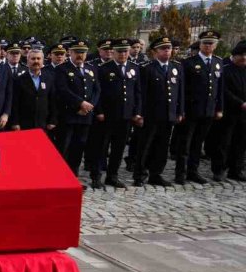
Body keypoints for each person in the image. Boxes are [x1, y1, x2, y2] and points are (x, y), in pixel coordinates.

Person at [86, 39, 141, 189]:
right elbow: (97, 92)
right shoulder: (103, 69)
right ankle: (96, 176)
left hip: (125, 115)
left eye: (125, 51)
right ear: (114, 52)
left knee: (119, 148)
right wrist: (99, 111)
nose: (123, 54)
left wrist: (137, 112)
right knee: (101, 148)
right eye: (119, 51)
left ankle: (112, 176)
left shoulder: (134, 68)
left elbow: (137, 93)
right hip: (107, 116)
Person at [172, 30, 224, 184]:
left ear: (215, 46)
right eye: (205, 43)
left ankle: (192, 171)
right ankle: (180, 173)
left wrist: (219, 108)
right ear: (200, 44)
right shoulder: (188, 63)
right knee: (185, 144)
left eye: (211, 43)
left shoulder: (217, 62)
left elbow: (219, 88)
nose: (208, 46)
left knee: (197, 144)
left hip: (208, 110)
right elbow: (181, 90)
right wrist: (181, 110)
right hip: (191, 110)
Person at [133, 36, 184, 187]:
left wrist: (180, 111)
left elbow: (179, 91)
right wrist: (139, 114)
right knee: (145, 145)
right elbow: (141, 93)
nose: (167, 51)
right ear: (155, 51)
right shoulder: (147, 67)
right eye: (163, 49)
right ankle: (140, 174)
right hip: (151, 114)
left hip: (168, 114)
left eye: (168, 48)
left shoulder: (176, 67)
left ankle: (156, 173)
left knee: (162, 146)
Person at [54, 41, 100, 178]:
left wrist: (89, 106)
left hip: (85, 116)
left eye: (83, 52)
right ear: (70, 53)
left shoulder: (91, 69)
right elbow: (62, 90)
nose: (80, 55)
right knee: (64, 147)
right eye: (77, 52)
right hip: (69, 115)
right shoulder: (62, 69)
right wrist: (79, 104)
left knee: (78, 148)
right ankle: (59, 176)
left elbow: (97, 90)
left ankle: (73, 176)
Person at [212, 39, 246, 181]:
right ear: (234, 56)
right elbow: (223, 91)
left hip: (243, 114)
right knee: (223, 142)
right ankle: (219, 169)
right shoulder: (225, 68)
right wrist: (240, 103)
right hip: (228, 112)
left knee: (241, 142)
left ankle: (235, 169)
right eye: (241, 55)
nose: (244, 58)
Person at [10, 47, 57, 136]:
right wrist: (15, 122)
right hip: (24, 124)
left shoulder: (49, 78)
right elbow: (15, 103)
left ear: (43, 61)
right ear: (27, 61)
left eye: (38, 58)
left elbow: (53, 100)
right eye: (33, 58)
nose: (36, 61)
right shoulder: (19, 80)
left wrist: (53, 120)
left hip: (44, 123)